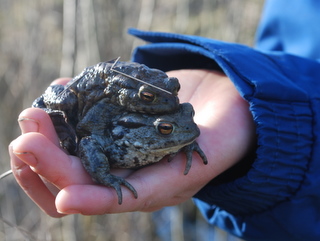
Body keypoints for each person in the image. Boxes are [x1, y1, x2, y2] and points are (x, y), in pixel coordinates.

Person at [8, 0, 320, 240]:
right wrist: (105, 174)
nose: (193, 131)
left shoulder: (158, 106)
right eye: (168, 127)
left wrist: (272, 114)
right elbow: (90, 137)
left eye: (187, 116)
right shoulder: (116, 116)